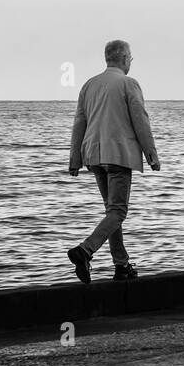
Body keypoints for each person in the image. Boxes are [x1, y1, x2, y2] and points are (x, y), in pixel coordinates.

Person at [67, 40, 161, 283]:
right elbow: (141, 120)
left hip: (93, 155)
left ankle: (121, 265)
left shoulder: (89, 85)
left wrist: (75, 159)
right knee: (118, 211)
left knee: (112, 212)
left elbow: (79, 123)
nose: (131, 61)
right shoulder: (128, 83)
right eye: (131, 57)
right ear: (124, 58)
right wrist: (151, 154)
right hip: (118, 154)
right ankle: (85, 250)